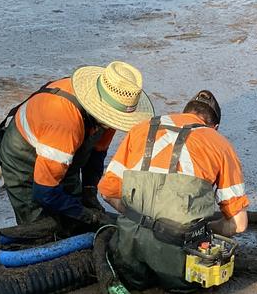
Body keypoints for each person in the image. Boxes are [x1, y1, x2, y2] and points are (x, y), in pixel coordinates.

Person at [98, 90, 249, 292]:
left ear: (183, 112)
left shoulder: (141, 128)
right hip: (179, 266)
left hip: (129, 257)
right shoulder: (221, 145)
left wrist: (138, 218)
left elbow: (107, 192)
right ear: (215, 127)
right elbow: (238, 225)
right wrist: (206, 229)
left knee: (132, 277)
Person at [0, 61, 154, 231]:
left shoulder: (109, 114)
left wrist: (89, 191)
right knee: (41, 226)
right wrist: (85, 214)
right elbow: (44, 191)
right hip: (23, 156)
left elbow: (97, 154)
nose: (112, 124)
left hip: (62, 151)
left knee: (74, 213)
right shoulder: (63, 123)